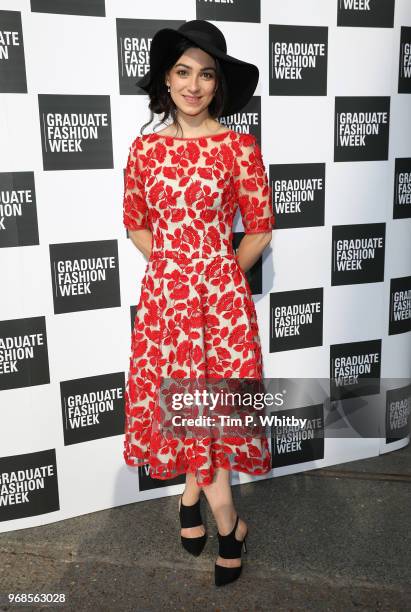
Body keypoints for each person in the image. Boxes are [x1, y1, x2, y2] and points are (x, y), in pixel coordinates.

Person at [122, 19, 275, 587]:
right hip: (168, 306)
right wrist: (172, 271)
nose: (193, 85)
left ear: (218, 85)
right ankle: (219, 515)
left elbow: (259, 229)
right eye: (183, 72)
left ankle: (222, 519)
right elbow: (135, 223)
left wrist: (217, 276)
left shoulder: (238, 148)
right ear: (166, 79)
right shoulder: (145, 149)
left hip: (222, 306)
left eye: (205, 74)